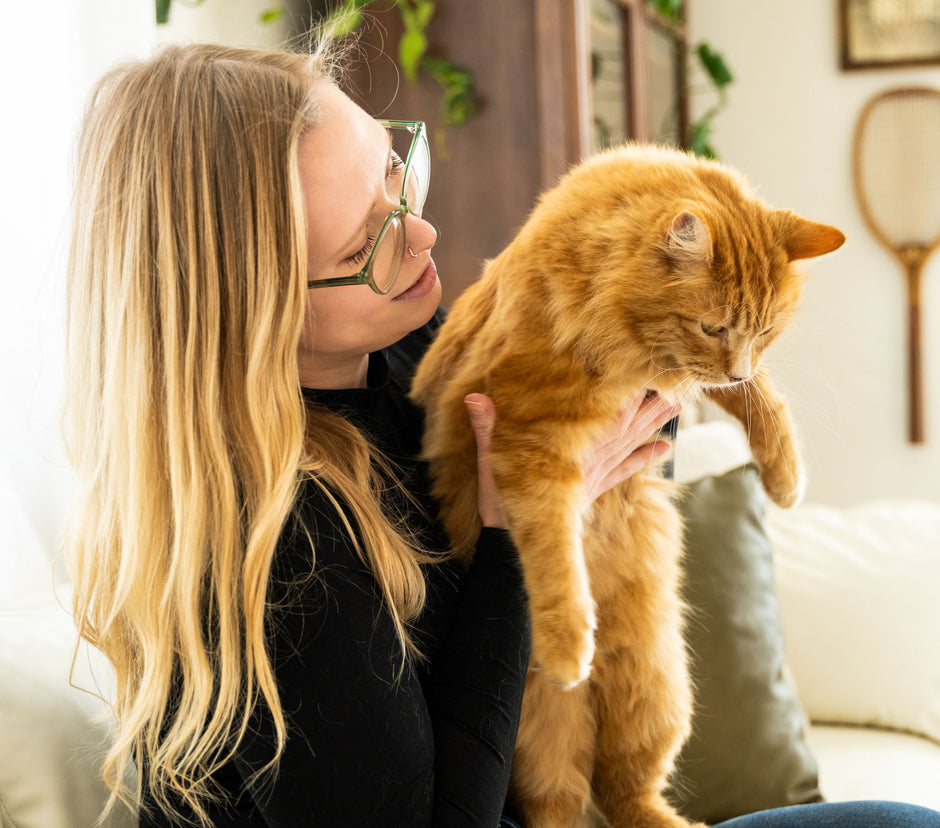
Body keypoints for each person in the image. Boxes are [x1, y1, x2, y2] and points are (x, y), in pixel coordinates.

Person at [64, 40, 940, 828]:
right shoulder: (274, 550)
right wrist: (512, 533)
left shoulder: (401, 351)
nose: (424, 232)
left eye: (396, 170)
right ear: (250, 311)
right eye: (365, 243)